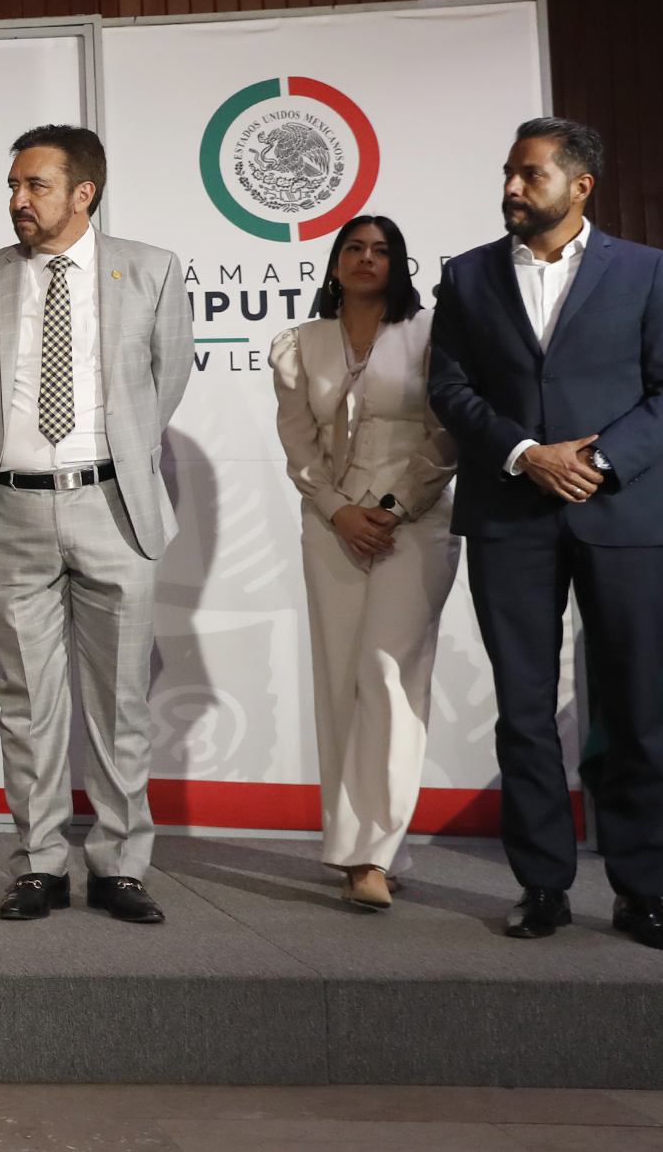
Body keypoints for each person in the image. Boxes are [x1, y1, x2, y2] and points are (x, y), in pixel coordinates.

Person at [428, 118, 663, 951]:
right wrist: (525, 454)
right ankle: (542, 883)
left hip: (625, 516)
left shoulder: (647, 269)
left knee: (635, 708)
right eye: (508, 172)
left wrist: (600, 460)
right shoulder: (467, 275)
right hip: (509, 514)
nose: (511, 187)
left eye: (529, 174)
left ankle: (641, 891)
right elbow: (449, 388)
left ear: (580, 185)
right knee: (523, 708)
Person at [0, 125, 191, 926]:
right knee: (27, 700)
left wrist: (108, 459)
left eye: (36, 186)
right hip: (13, 507)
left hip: (113, 505)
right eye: (13, 186)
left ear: (83, 193)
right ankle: (39, 863)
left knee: (121, 699)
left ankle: (121, 865)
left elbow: (165, 380)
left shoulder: (151, 270)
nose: (18, 200)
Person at [269, 214, 459, 911]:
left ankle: (371, 854)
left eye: (382, 250)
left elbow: (448, 432)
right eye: (354, 247)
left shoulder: (431, 333)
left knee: (388, 675)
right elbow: (298, 443)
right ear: (335, 263)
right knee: (341, 679)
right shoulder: (300, 343)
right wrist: (338, 510)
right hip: (333, 524)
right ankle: (365, 847)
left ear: (399, 263)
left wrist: (394, 506)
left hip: (416, 520)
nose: (367, 258)